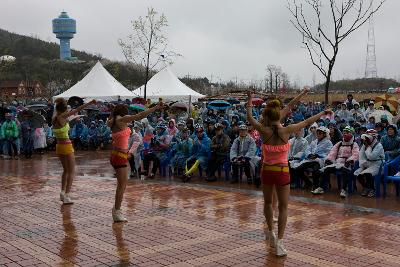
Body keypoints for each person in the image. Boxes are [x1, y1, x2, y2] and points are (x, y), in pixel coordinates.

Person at [246, 91, 331, 257]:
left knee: (268, 203)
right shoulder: (288, 130)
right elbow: (306, 120)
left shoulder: (263, 130)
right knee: (283, 207)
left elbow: (250, 117)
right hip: (282, 171)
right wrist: (322, 112)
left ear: (268, 116)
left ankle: (270, 232)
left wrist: (250, 100)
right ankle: (280, 242)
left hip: (267, 172)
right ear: (280, 116)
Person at [107, 101, 163, 222]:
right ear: (123, 112)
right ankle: (117, 211)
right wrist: (155, 107)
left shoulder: (111, 121)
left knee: (121, 185)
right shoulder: (122, 119)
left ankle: (116, 210)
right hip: (119, 156)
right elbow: (140, 116)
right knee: (121, 186)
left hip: (116, 155)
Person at [52, 98, 96, 204]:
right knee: (71, 171)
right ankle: (67, 195)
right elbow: (78, 109)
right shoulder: (63, 116)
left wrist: (61, 103)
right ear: (64, 109)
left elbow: (64, 111)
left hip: (58, 146)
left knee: (65, 170)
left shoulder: (54, 118)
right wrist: (90, 103)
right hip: (66, 145)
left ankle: (62, 192)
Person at [311, 126, 359, 198]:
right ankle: (321, 187)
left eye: (347, 133)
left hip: (347, 163)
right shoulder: (339, 143)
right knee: (326, 170)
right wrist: (329, 160)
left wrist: (350, 160)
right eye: (344, 132)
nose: (345, 134)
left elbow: (356, 154)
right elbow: (332, 153)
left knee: (346, 172)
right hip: (337, 162)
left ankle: (344, 189)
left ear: (352, 134)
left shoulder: (354, 144)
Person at [354, 129, 385, 198]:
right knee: (358, 175)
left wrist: (368, 147)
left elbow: (371, 157)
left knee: (368, 174)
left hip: (377, 164)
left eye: (368, 137)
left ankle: (372, 189)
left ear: (373, 137)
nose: (366, 139)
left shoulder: (378, 145)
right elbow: (361, 156)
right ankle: (366, 187)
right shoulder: (365, 144)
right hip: (368, 164)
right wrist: (363, 164)